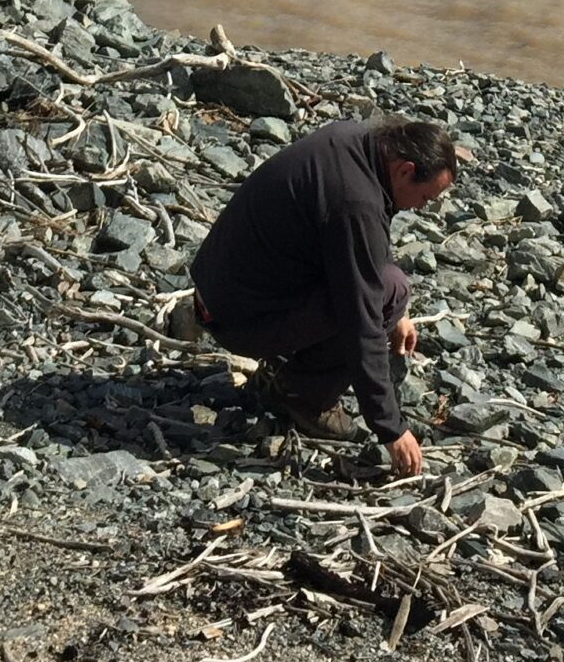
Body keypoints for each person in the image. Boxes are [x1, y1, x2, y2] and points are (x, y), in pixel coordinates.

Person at [185, 114, 461, 478]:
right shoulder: (355, 200)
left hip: (220, 292)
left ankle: (287, 370)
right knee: (387, 292)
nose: (424, 207)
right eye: (426, 197)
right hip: (238, 319)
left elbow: (365, 239)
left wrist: (398, 316)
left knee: (389, 289)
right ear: (405, 170)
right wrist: (390, 428)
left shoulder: (356, 141)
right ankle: (300, 394)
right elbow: (360, 320)